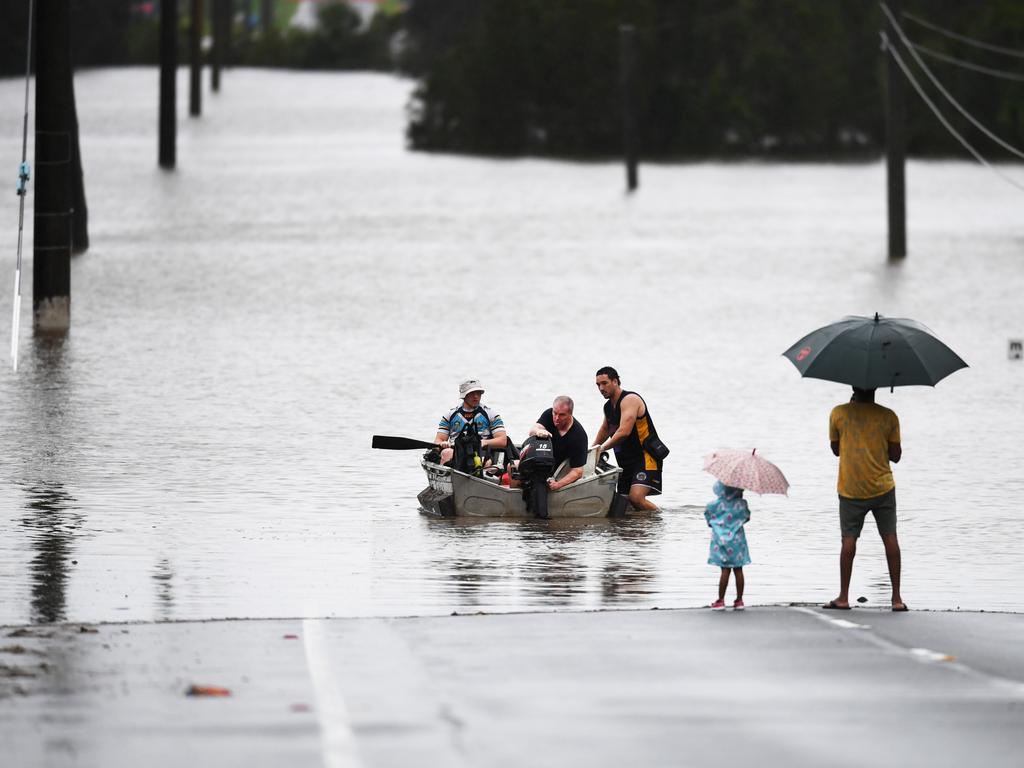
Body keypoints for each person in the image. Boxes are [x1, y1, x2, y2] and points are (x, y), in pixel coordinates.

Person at [823, 386, 907, 612]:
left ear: (853, 388)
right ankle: (896, 599)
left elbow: (836, 449)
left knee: (849, 540)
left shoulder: (839, 413)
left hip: (851, 488)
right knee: (890, 538)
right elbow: (896, 456)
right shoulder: (889, 416)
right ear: (875, 389)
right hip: (883, 487)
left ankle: (843, 597)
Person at [592, 366, 664, 510]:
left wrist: (602, 448)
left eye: (604, 383)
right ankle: (633, 531)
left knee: (636, 498)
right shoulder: (607, 407)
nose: (601, 388)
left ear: (616, 381)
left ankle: (659, 520)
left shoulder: (630, 399)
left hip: (645, 457)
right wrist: (592, 450)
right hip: (625, 461)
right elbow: (605, 429)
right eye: (598, 385)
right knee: (624, 506)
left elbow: (624, 432)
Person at [434, 379, 507, 466]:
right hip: (455, 451)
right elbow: (438, 440)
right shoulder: (449, 415)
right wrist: (442, 443)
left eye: (478, 393)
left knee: (486, 462)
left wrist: (484, 442)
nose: (476, 396)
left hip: (481, 452)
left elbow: (502, 441)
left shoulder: (491, 414)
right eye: (472, 393)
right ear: (464, 395)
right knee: (446, 453)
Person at [705, 481, 751, 610]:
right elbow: (747, 517)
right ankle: (739, 600)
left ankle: (720, 600)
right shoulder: (741, 504)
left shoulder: (714, 505)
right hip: (738, 542)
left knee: (724, 570)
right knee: (738, 569)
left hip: (720, 542)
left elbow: (709, 520)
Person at [528, 396, 589, 491]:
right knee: (511, 466)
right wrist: (538, 431)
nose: (556, 418)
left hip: (555, 472)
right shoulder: (548, 414)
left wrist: (558, 485)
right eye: (555, 413)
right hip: (539, 462)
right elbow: (532, 430)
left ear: (570, 414)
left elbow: (577, 472)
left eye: (562, 415)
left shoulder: (579, 436)